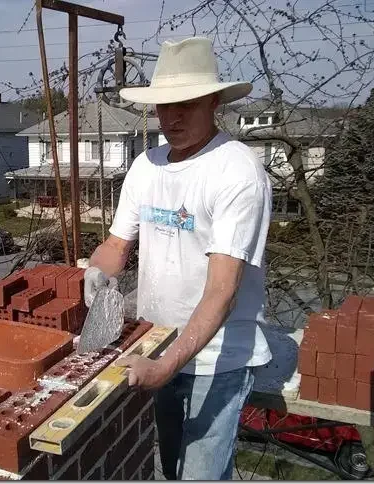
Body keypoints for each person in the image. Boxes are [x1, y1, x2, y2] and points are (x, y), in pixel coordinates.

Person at [84, 37, 273, 480]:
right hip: (158, 342)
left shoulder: (237, 172)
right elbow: (116, 246)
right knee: (172, 469)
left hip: (217, 362)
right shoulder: (146, 166)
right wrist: (96, 272)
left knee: (200, 477)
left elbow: (222, 292)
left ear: (214, 102)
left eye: (186, 104)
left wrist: (166, 367)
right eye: (164, 106)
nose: (172, 117)